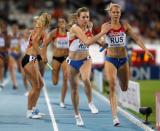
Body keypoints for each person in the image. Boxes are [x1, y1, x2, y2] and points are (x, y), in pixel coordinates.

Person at [102, 3, 153, 126]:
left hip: (124, 60)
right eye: (113, 12)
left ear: (120, 14)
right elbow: (102, 38)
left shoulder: (125, 25)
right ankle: (115, 117)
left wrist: (145, 49)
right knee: (113, 85)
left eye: (118, 12)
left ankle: (117, 87)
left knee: (124, 87)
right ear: (110, 13)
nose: (116, 14)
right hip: (110, 59)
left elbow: (136, 38)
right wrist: (103, 41)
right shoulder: (106, 25)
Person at [67, 7, 110, 126]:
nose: (86, 19)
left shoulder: (89, 26)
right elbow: (87, 41)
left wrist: (102, 42)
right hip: (72, 61)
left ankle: (90, 103)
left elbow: (92, 38)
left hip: (85, 59)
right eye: (83, 17)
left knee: (86, 79)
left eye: (87, 16)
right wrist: (102, 32)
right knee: (74, 89)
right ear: (78, 18)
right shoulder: (75, 28)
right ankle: (77, 115)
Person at [21, 13, 51, 119]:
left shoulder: (39, 30)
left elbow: (37, 45)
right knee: (35, 86)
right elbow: (34, 42)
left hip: (31, 59)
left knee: (40, 84)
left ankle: (33, 109)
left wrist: (42, 56)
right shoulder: (40, 30)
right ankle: (29, 112)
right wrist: (42, 56)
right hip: (30, 59)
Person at [45, 17, 69, 108]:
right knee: (55, 82)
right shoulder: (54, 32)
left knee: (66, 77)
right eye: (60, 22)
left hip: (66, 57)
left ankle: (62, 101)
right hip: (56, 58)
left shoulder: (70, 32)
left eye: (63, 21)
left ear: (66, 23)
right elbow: (45, 45)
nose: (62, 23)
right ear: (58, 24)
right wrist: (43, 56)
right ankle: (54, 74)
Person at [0, 21, 10, 89]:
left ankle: (5, 72)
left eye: (4, 28)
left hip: (5, 52)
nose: (3, 29)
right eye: (2, 27)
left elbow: (8, 45)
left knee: (5, 63)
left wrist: (6, 38)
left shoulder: (7, 35)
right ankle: (1, 81)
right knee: (1, 65)